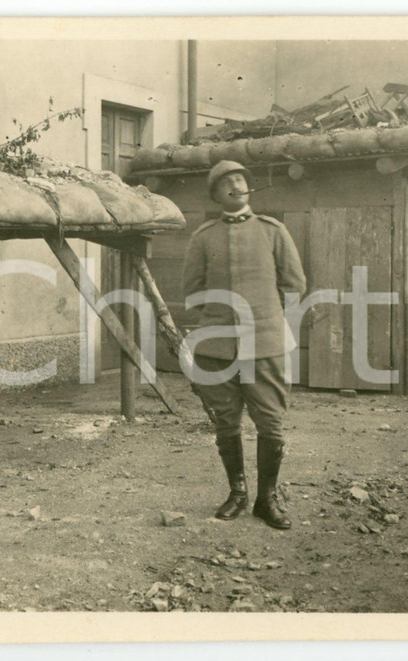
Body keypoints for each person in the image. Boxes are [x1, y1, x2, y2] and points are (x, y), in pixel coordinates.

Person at [182, 160, 307, 530]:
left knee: (271, 422)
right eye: (225, 184)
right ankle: (236, 493)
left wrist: (266, 319)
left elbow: (295, 284)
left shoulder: (273, 231)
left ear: (249, 189)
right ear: (216, 195)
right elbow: (192, 290)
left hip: (266, 344)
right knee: (226, 421)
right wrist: (223, 317)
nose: (235, 186)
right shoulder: (203, 237)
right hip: (218, 346)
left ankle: (266, 499)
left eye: (240, 180)